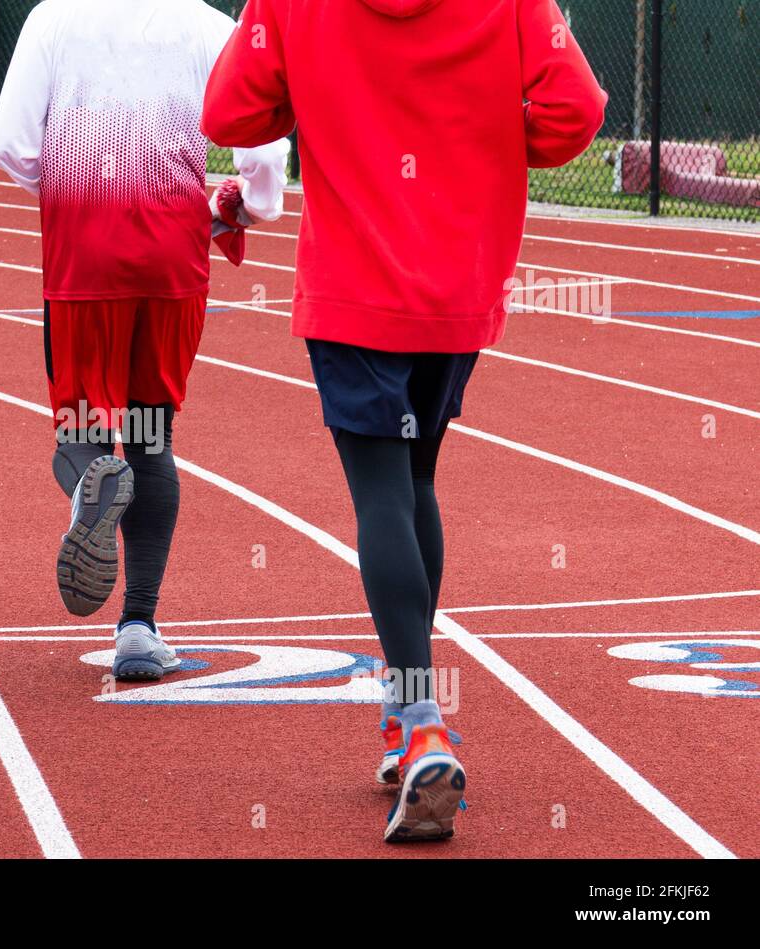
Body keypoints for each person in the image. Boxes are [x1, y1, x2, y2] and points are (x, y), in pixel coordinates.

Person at [202, 0, 606, 841]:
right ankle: (403, 716)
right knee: (417, 479)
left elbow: (229, 112)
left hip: (354, 285)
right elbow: (577, 111)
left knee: (383, 491)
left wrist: (311, 100)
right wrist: (487, 140)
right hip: (461, 279)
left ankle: (420, 720)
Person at [0, 0, 288, 681]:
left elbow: (10, 143)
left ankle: (90, 488)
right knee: (152, 436)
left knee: (83, 423)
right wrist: (255, 202)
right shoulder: (213, 28)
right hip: (172, 257)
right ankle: (138, 627)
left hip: (83, 252)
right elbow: (264, 145)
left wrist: (72, 190)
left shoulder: (52, 20)